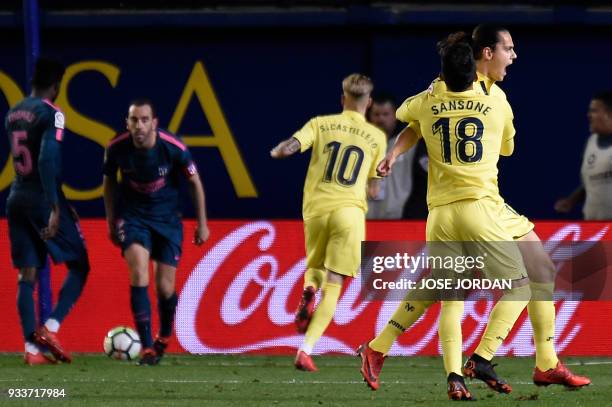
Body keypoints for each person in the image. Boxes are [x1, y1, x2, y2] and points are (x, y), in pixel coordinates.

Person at [358, 24, 590, 398]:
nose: (512, 57)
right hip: (477, 205)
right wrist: (396, 153)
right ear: (485, 54)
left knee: (534, 269)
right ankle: (477, 362)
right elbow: (503, 148)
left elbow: (414, 119)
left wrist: (397, 151)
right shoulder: (489, 96)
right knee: (493, 286)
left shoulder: (438, 90)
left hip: (464, 207)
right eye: (508, 49)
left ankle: (545, 362)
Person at [270, 74, 386, 371]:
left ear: (342, 98)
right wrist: (374, 183)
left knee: (315, 267)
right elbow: (375, 189)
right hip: (349, 212)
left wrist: (279, 150)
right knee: (334, 284)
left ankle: (309, 288)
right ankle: (305, 350)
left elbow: (292, 145)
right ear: (369, 103)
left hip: (316, 209)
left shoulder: (320, 123)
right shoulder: (377, 138)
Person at [102, 99, 209, 365]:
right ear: (127, 123)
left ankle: (164, 335)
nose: (139, 126)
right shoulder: (116, 148)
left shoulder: (173, 148)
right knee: (138, 270)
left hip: (167, 220)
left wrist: (202, 223)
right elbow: (108, 183)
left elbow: (194, 182)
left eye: (144, 120)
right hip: (133, 217)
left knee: (165, 288)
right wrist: (110, 221)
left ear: (154, 123)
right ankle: (147, 345)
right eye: (134, 120)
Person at [6, 57, 90, 365]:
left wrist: (62, 200)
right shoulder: (53, 115)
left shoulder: (13, 112)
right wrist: (56, 206)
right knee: (80, 266)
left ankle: (32, 351)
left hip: (16, 198)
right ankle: (50, 328)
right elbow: (45, 160)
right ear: (57, 86)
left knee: (26, 275)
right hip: (42, 201)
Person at [555, 91, 612, 219]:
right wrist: (571, 200)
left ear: (609, 114)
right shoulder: (591, 143)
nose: (589, 115)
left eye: (594, 111)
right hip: (592, 230)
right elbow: (590, 184)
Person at [366, 93, 418, 219]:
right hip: (365, 217)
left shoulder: (410, 144)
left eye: (385, 114)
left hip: (398, 217)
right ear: (369, 117)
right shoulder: (360, 144)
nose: (381, 119)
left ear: (395, 116)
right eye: (376, 114)